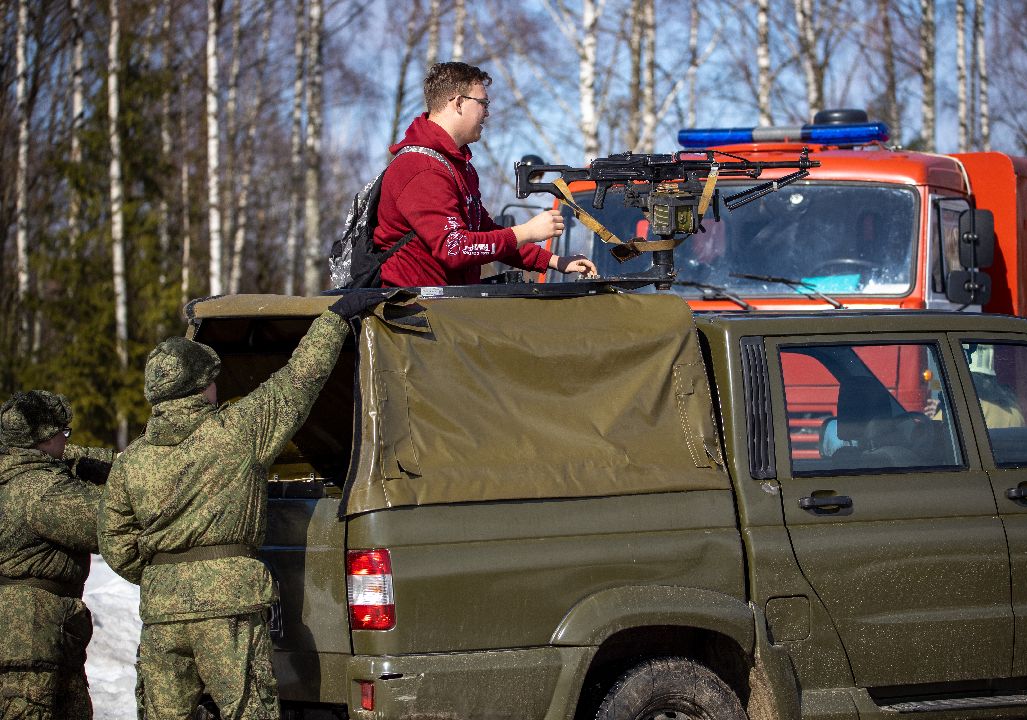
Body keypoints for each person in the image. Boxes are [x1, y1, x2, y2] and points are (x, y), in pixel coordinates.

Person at [97, 291, 376, 720]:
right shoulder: (236, 433)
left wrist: (165, 575)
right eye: (213, 379)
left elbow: (115, 541)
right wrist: (337, 317)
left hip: (161, 614)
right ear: (201, 387)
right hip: (228, 610)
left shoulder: (131, 461)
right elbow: (298, 380)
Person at [375, 61, 596, 287]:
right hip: (412, 313)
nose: (488, 113)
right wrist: (526, 232)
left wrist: (554, 261)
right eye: (483, 103)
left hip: (444, 310)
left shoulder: (457, 165)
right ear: (459, 103)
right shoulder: (421, 167)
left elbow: (485, 233)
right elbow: (455, 248)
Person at [0, 390, 115, 720]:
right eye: (63, 434)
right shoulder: (43, 488)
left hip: (41, 637)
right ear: (44, 440)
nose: (67, 443)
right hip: (29, 641)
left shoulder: (12, 472)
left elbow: (72, 456)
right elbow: (108, 525)